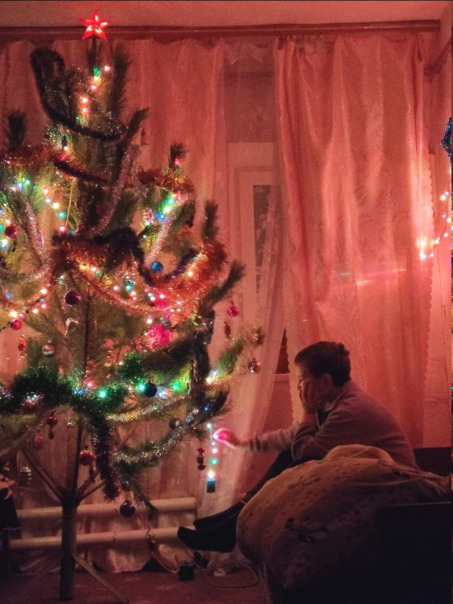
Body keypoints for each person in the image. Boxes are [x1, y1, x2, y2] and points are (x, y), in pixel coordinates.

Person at [177, 341, 417, 553]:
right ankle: (235, 518)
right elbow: (290, 438)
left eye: (302, 379)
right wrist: (241, 444)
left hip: (393, 487)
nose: (299, 386)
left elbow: (304, 454)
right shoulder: (334, 403)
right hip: (370, 479)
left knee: (297, 460)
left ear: (325, 381)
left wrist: (307, 412)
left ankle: (233, 524)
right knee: (288, 454)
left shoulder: (350, 411)